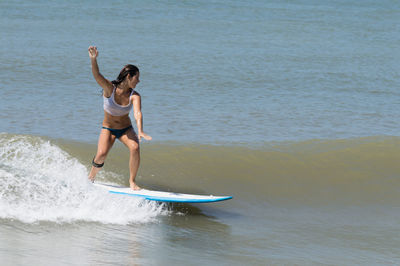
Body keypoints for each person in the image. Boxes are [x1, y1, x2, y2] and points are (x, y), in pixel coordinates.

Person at [87, 46, 152, 190]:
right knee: (101, 155)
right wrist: (93, 60)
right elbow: (97, 75)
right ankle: (90, 178)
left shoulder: (134, 95)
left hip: (125, 129)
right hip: (108, 128)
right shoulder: (110, 88)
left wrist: (140, 131)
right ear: (129, 77)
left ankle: (132, 182)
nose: (139, 81)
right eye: (137, 78)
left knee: (135, 147)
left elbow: (137, 113)